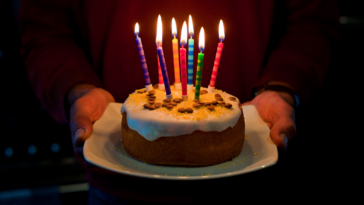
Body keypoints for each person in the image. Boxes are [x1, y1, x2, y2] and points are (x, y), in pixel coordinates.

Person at [19, 0, 339, 203]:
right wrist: (75, 87)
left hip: (252, 185)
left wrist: (284, 86)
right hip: (115, 186)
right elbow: (44, 27)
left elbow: (312, 19)